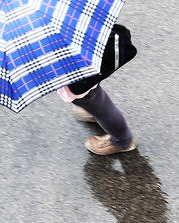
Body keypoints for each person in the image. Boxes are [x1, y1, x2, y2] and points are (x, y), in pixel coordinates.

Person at [56, 23, 137, 155]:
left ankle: (123, 142)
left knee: (102, 109)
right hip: (88, 55)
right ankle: (93, 111)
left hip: (75, 75)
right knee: (95, 96)